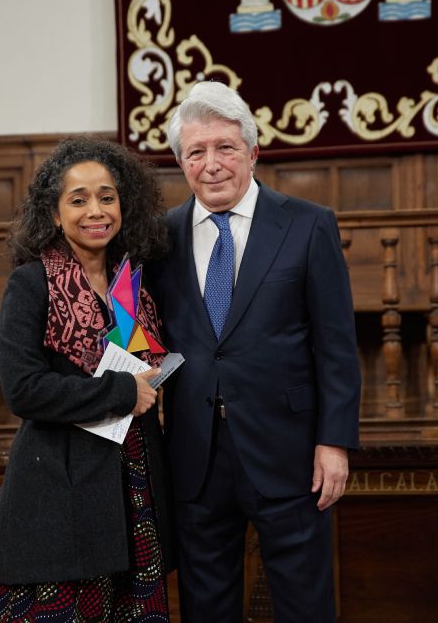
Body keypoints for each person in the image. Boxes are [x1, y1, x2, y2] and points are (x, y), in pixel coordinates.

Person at [153, 81, 361, 622]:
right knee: (206, 607)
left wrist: (334, 442)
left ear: (252, 151)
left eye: (224, 147)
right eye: (196, 152)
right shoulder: (159, 238)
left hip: (289, 453)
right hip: (196, 457)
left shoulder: (307, 223)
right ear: (181, 162)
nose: (212, 163)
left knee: (304, 605)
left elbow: (335, 345)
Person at [0, 137, 174, 621]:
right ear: (53, 213)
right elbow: (23, 390)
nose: (96, 211)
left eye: (107, 197)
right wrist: (122, 391)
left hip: (134, 484)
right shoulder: (30, 284)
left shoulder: (134, 284)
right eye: (79, 199)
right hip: (61, 492)